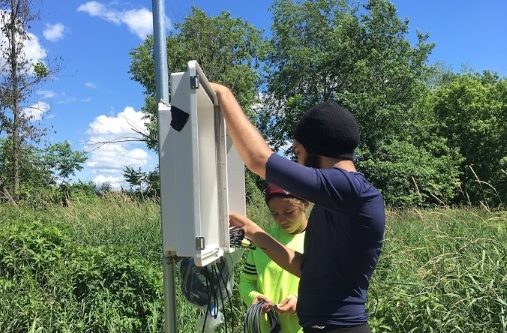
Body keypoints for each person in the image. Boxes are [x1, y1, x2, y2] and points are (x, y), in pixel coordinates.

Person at [210, 82, 385, 333]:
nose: (298, 161)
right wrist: (252, 230)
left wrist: (223, 94)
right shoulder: (338, 202)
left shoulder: (351, 189)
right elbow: (305, 267)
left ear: (316, 151)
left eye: (298, 152)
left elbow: (258, 160)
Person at [240, 183, 308, 333]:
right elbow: (246, 281)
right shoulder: (263, 240)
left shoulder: (318, 240)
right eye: (274, 214)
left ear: (305, 204)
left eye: (289, 212)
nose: (281, 219)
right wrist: (253, 297)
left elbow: (331, 288)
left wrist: (301, 301)